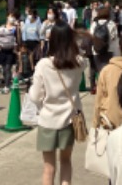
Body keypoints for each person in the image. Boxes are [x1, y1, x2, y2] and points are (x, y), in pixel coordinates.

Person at [28, 21, 87, 185]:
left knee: (48, 167)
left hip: (47, 120)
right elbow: (83, 55)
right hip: (69, 120)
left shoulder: (44, 65)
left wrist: (41, 103)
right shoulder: (79, 63)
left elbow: (34, 95)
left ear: (52, 40)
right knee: (66, 161)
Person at [90, 6, 120, 77]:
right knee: (108, 73)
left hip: (96, 51)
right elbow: (114, 37)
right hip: (109, 50)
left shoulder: (94, 24)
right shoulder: (112, 24)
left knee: (100, 72)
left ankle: (100, 85)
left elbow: (91, 37)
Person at [0, 14, 18, 93]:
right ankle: (7, 81)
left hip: (11, 51)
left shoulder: (15, 28)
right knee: (4, 70)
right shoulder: (1, 28)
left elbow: (18, 39)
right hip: (2, 51)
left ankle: (7, 86)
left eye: (13, 17)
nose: (11, 18)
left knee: (8, 68)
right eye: (10, 16)